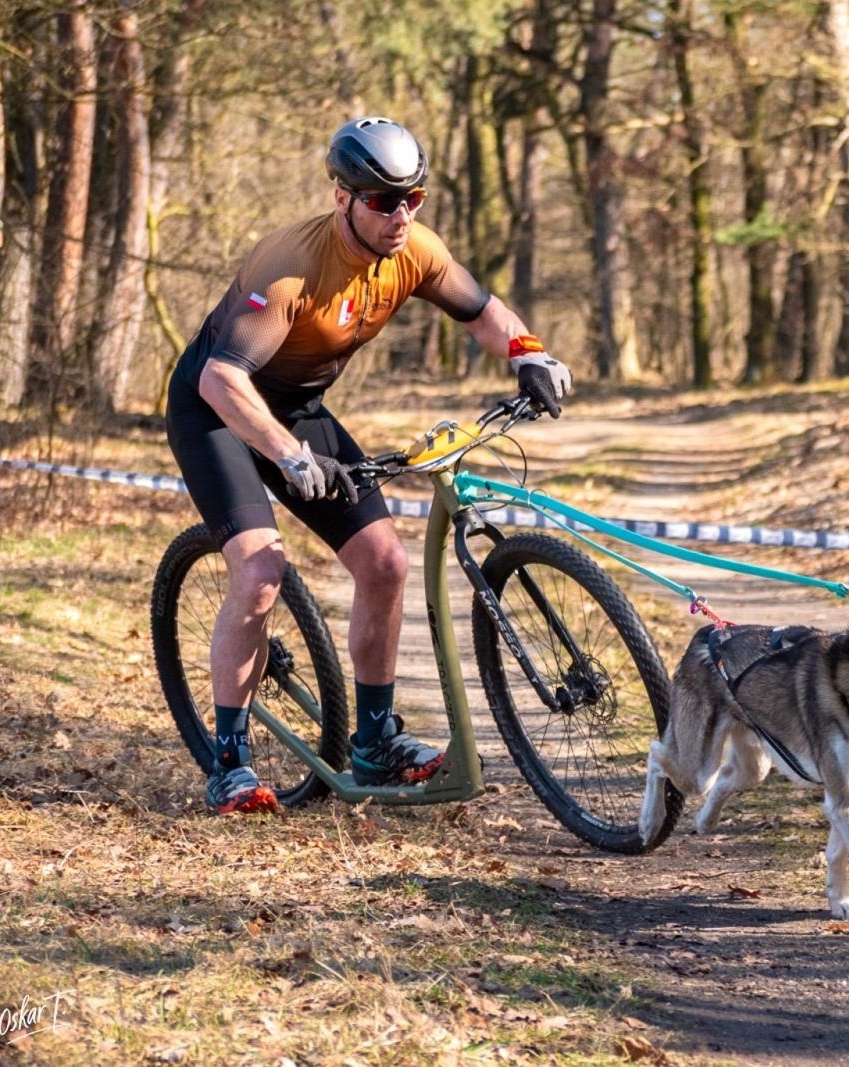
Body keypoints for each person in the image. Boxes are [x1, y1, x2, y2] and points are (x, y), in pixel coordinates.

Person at [165, 116, 572, 814]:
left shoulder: (415, 250)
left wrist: (529, 354)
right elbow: (221, 378)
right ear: (342, 197)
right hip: (216, 411)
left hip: (297, 407)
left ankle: (376, 740)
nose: (401, 215)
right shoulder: (289, 266)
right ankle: (228, 762)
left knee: (385, 563)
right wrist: (286, 455)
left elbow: (483, 312)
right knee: (260, 574)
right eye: (383, 201)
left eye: (413, 198)